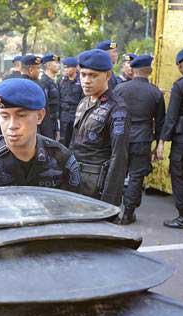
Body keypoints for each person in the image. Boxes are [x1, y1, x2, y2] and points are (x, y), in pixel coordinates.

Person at [0, 78, 80, 194]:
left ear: (40, 116)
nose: (12, 125)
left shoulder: (61, 159)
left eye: (21, 116)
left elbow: (78, 209)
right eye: (4, 116)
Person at [70, 49, 129, 206]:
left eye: (93, 75)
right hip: (75, 180)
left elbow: (119, 158)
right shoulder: (84, 102)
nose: (86, 80)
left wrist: (110, 201)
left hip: (96, 186)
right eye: (83, 74)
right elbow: (73, 144)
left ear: (108, 75)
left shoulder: (117, 109)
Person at [113, 55, 165, 225]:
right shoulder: (155, 92)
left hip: (120, 137)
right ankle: (128, 213)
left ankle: (113, 210)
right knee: (136, 176)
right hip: (142, 139)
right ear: (149, 71)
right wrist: (158, 145)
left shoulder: (119, 89)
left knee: (117, 174)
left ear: (133, 70)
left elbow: (111, 114)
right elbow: (160, 122)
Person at [158, 48, 183, 229]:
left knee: (180, 176)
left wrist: (162, 142)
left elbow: (171, 116)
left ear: (180, 66)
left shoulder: (180, 86)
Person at [59, 56, 84, 147]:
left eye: (68, 67)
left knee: (77, 141)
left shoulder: (81, 81)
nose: (66, 69)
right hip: (64, 116)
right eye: (65, 67)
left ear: (75, 67)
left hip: (77, 115)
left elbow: (84, 99)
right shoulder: (61, 81)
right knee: (64, 140)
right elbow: (59, 99)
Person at [39, 53, 61, 140]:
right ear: (48, 65)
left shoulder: (53, 82)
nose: (58, 65)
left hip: (53, 124)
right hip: (47, 125)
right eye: (56, 63)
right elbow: (44, 106)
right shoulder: (44, 82)